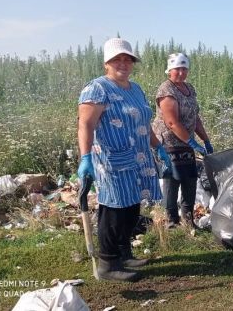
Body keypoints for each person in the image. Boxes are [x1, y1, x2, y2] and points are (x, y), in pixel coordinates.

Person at [77, 38, 169, 282]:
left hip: (138, 159)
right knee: (114, 209)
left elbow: (143, 122)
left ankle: (124, 253)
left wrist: (158, 147)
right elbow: (85, 125)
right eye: (117, 59)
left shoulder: (135, 89)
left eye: (127, 59)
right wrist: (85, 157)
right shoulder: (97, 89)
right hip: (112, 161)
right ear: (106, 63)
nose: (123, 63)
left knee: (131, 207)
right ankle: (108, 263)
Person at [152, 52, 213, 228]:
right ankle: (172, 221)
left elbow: (195, 118)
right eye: (177, 69)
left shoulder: (189, 89)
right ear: (170, 70)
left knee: (190, 179)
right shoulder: (166, 90)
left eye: (184, 69)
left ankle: (188, 219)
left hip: (185, 142)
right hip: (169, 143)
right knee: (173, 179)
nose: (181, 73)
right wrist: (192, 143)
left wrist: (206, 140)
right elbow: (171, 122)